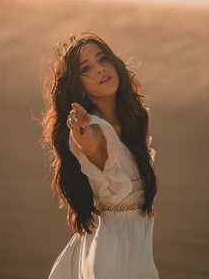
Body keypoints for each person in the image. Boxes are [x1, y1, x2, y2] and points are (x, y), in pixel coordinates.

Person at [41, 32, 159, 279]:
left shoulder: (134, 119)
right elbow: (90, 144)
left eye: (102, 59)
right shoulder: (94, 127)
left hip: (134, 245)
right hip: (110, 252)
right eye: (86, 68)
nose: (99, 70)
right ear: (78, 85)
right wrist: (80, 128)